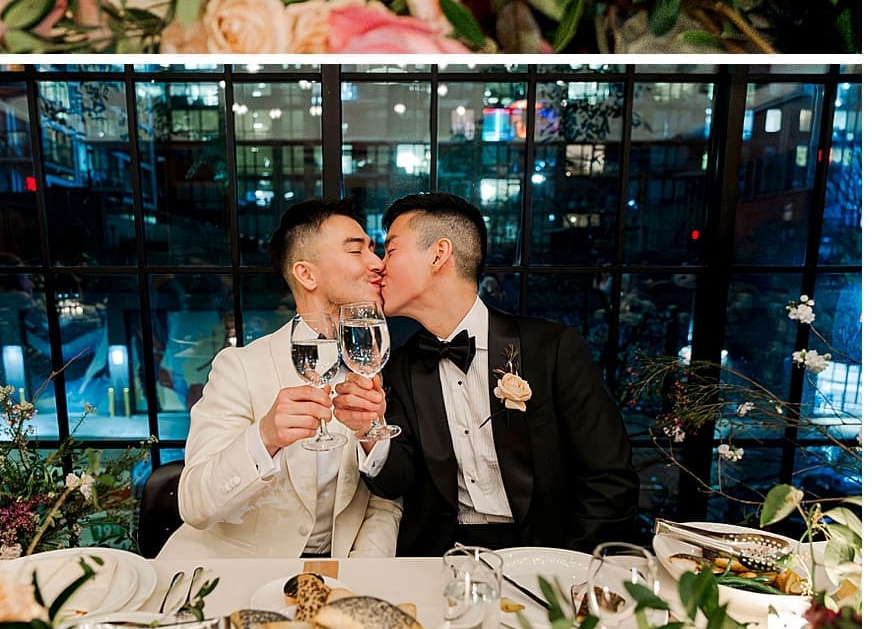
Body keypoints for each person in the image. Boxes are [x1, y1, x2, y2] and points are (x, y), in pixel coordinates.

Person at [365, 191, 640, 555]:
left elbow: (610, 479)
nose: (380, 265)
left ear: (438, 254)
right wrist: (368, 430)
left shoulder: (552, 350)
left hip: (548, 553)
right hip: (442, 559)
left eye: (392, 250)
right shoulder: (400, 366)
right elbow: (396, 479)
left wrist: (567, 570)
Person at [159, 201, 401, 565]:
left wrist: (361, 575)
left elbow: (384, 505)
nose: (377, 262)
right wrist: (265, 437)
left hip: (338, 573)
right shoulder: (238, 367)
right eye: (357, 249)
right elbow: (194, 504)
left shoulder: (382, 368)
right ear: (306, 274)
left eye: (374, 248)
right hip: (230, 572)